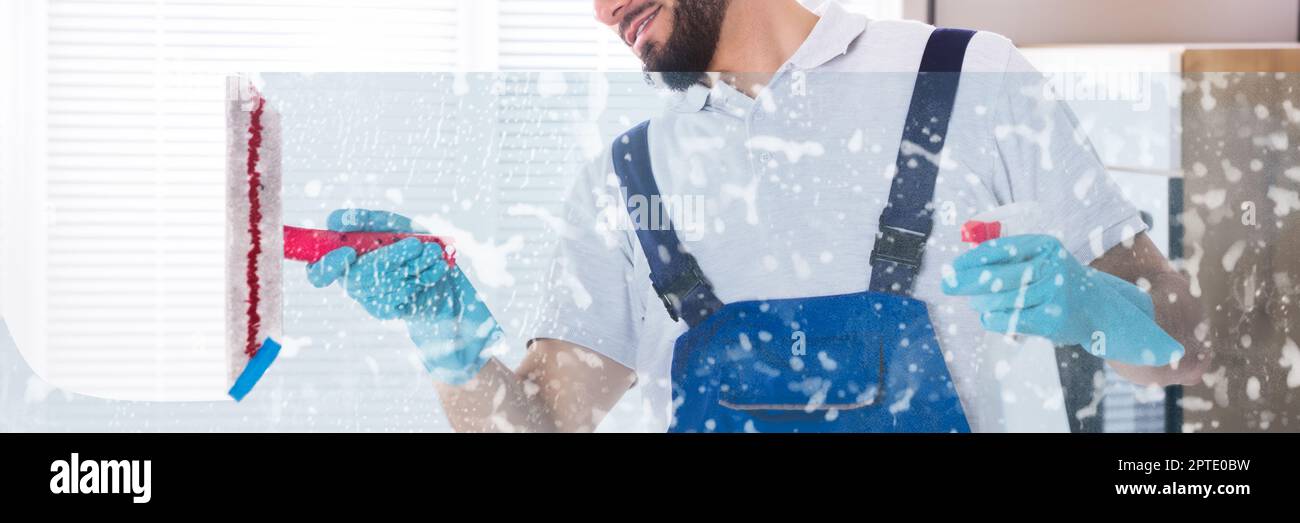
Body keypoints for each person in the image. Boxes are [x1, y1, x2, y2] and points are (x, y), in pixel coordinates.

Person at [306, 0, 1210, 433]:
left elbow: (1187, 350)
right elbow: (538, 429)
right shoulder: (626, 181)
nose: (600, 7)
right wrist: (447, 334)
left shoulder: (968, 77)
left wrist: (1093, 308)